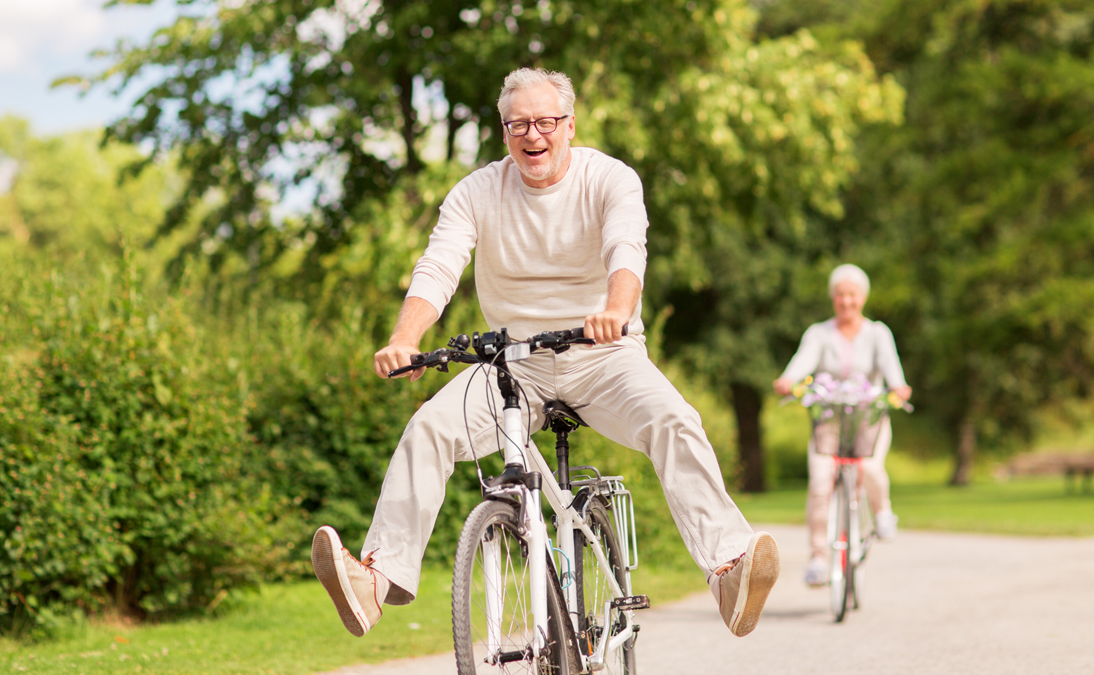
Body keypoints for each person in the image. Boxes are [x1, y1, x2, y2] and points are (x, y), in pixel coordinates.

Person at [311, 67, 780, 641]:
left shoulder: (609, 178)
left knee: (674, 420)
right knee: (428, 428)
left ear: (569, 125)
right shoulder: (477, 191)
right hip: (513, 365)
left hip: (604, 355)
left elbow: (626, 249)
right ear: (504, 132)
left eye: (545, 122)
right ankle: (376, 580)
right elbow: (439, 266)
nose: (533, 135)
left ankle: (728, 570)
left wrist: (615, 310)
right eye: (518, 125)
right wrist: (404, 338)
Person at [772, 263, 912, 587]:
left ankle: (882, 512)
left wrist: (898, 387)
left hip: (869, 419)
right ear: (832, 298)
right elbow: (802, 362)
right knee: (820, 483)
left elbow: (892, 368)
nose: (846, 301)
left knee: (870, 467)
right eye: (840, 295)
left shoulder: (878, 333)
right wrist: (788, 380)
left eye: (852, 295)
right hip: (829, 421)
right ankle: (818, 558)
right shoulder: (819, 333)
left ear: (863, 297)